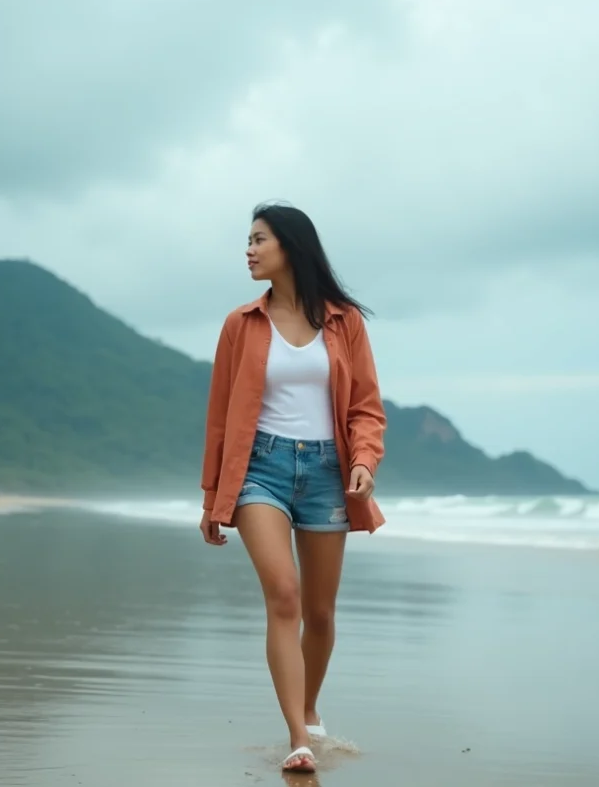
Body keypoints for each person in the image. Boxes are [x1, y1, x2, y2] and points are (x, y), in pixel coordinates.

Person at [199, 202, 387, 774]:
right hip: (262, 468)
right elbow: (219, 416)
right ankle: (296, 735)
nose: (249, 250)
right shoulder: (241, 324)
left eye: (259, 240)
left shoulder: (344, 321)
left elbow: (365, 406)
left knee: (321, 611)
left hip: (330, 472)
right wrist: (212, 498)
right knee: (284, 594)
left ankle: (309, 706)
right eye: (247, 241)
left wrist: (364, 461)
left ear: (290, 246)